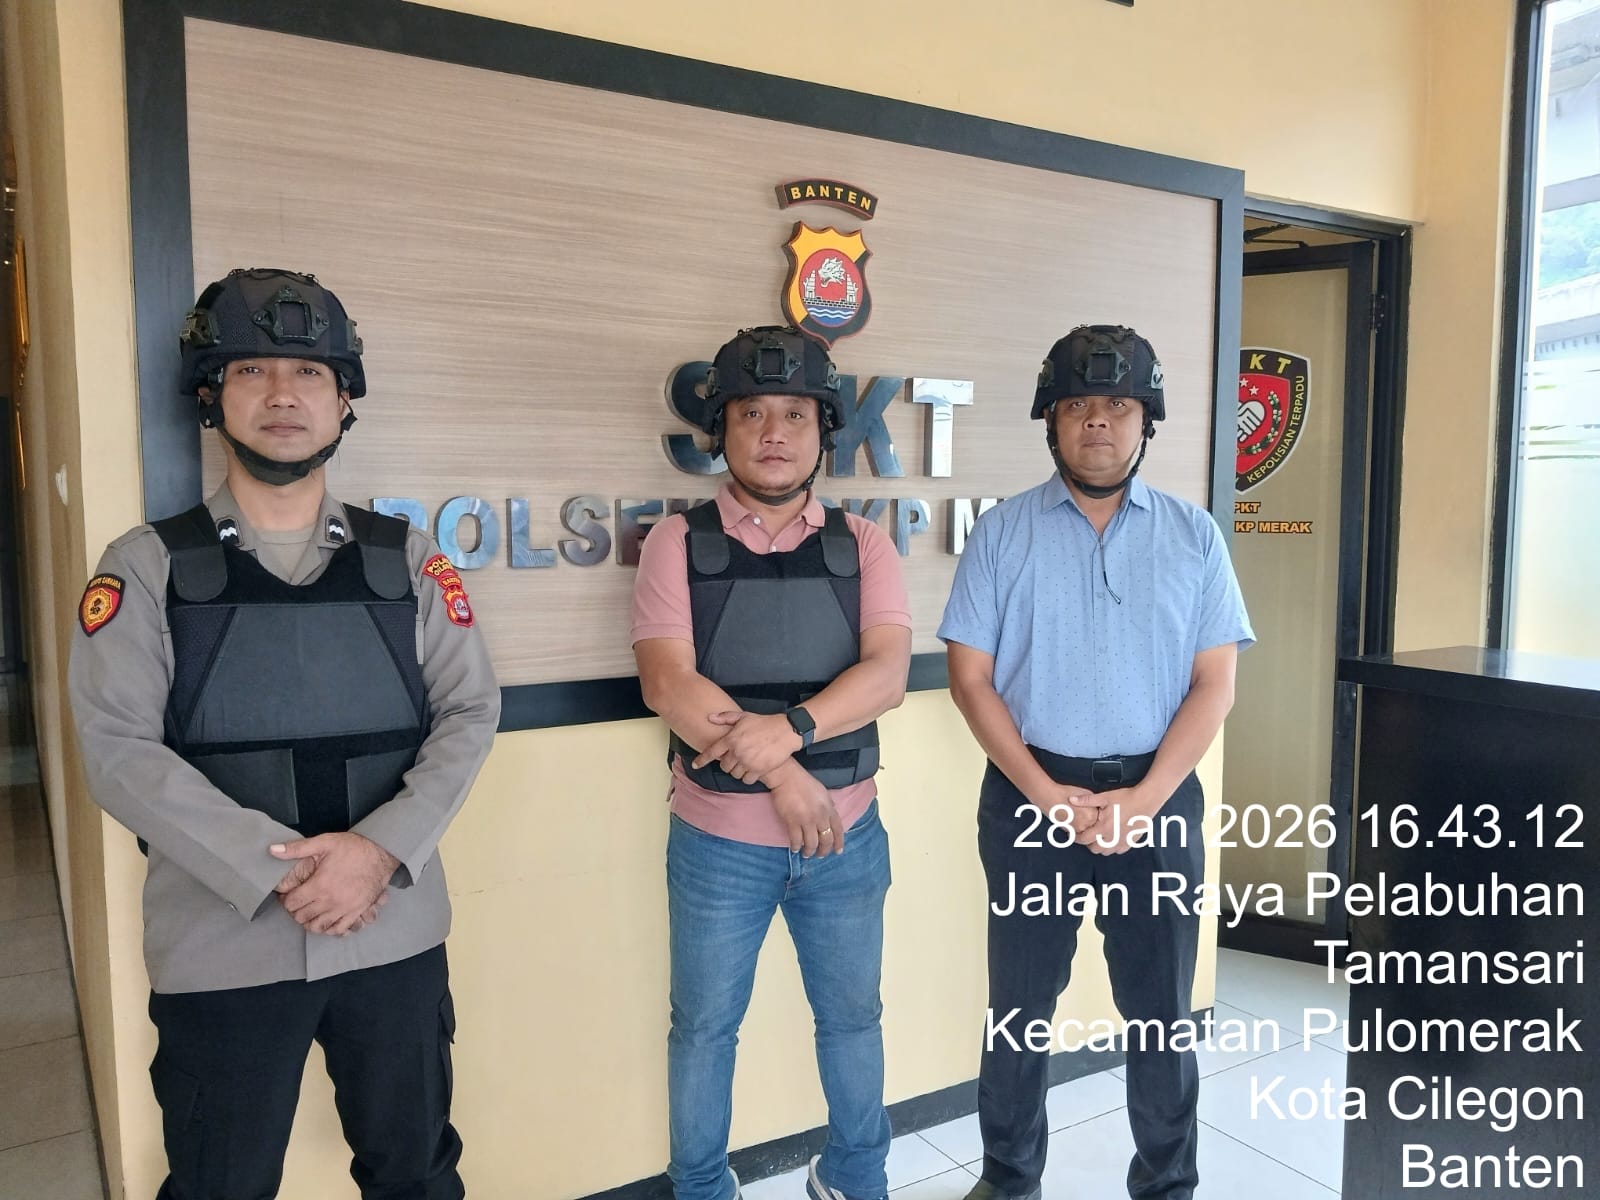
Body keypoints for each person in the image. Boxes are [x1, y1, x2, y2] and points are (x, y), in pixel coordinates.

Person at [68, 268, 500, 1200]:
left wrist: (376, 855)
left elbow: (469, 712)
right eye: (251, 370)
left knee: (418, 1176)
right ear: (210, 394)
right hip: (221, 943)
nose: (281, 393)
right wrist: (283, 871)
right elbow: (117, 748)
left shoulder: (409, 561)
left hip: (392, 934)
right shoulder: (145, 568)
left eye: (308, 372)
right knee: (220, 1184)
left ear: (344, 400)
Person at [938, 325, 1253, 1200]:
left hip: (1159, 798)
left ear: (1146, 421)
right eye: (1078, 405)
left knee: (1161, 1015)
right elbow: (970, 680)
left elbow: (1215, 685)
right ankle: (1008, 1180)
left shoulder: (1194, 536)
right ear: (1052, 420)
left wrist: (1147, 798)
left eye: (1118, 405)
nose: (1098, 423)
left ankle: (1167, 1184)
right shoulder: (1002, 532)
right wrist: (1045, 793)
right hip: (1029, 797)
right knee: (1019, 1010)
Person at [631, 326, 912, 1200]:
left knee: (854, 1021)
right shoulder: (676, 542)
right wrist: (789, 778)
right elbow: (668, 683)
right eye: (752, 413)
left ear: (824, 430)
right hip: (718, 846)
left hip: (846, 838)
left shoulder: (863, 544)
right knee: (703, 1031)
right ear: (722, 429)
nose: (774, 432)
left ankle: (858, 1177)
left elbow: (887, 676)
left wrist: (787, 732)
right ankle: (701, 1188)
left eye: (795, 414)